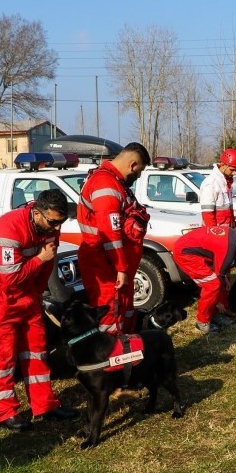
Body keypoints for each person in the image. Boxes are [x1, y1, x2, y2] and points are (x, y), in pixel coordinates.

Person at [0, 189, 79, 431]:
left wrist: (38, 291)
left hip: (28, 297)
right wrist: (39, 260)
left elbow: (47, 264)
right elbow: (11, 278)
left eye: (61, 223)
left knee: (36, 351)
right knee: (3, 358)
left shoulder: (49, 225)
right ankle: (5, 412)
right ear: (36, 213)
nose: (56, 228)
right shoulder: (7, 228)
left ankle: (45, 404)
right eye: (53, 222)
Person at [77, 142, 151, 335]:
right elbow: (110, 233)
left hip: (112, 263)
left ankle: (126, 349)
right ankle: (111, 358)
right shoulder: (105, 184)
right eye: (139, 171)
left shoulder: (115, 182)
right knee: (111, 312)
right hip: (104, 263)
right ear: (132, 165)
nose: (138, 176)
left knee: (123, 308)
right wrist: (121, 268)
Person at [173, 226, 236, 334]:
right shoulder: (229, 249)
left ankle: (218, 314)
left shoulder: (234, 237)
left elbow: (223, 269)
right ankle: (202, 323)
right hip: (186, 253)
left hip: (192, 248)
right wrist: (217, 302)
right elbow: (219, 273)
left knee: (224, 280)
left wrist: (224, 279)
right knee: (212, 284)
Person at [200, 148, 236, 227]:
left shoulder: (226, 182)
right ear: (223, 165)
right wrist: (214, 236)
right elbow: (208, 214)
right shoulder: (211, 183)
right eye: (232, 170)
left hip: (225, 233)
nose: (234, 173)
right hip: (216, 234)